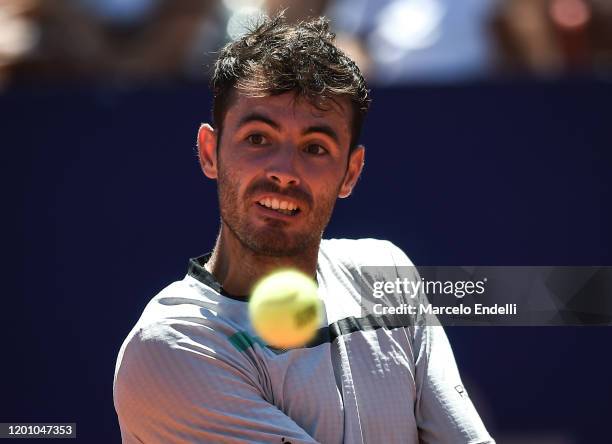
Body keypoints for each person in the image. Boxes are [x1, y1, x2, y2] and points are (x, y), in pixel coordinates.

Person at [113, 13, 495, 444]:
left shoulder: (388, 274)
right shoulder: (171, 347)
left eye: (315, 147)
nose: (284, 172)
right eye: (258, 139)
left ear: (351, 172)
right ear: (210, 152)